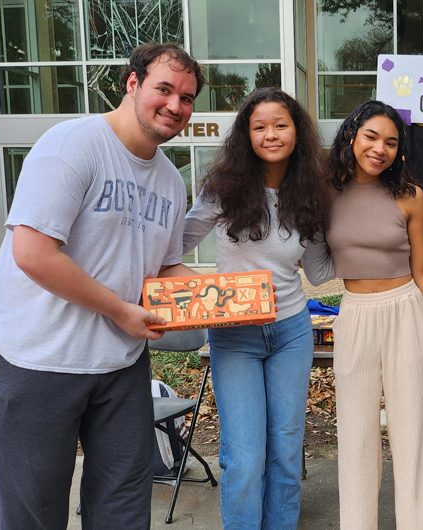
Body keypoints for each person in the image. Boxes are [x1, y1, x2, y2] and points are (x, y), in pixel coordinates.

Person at [0, 42, 205, 529]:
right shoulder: (73, 145)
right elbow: (33, 253)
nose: (176, 106)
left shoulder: (170, 181)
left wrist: (234, 299)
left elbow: (164, 270)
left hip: (120, 365)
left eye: (187, 98)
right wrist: (120, 310)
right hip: (38, 361)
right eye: (164, 89)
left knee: (124, 508)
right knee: (33, 513)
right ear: (132, 84)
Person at [183, 87, 334, 530]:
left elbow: (321, 270)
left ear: (297, 132)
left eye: (281, 125)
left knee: (286, 453)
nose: (271, 134)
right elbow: (179, 242)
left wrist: (372, 242)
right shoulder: (224, 187)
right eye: (260, 127)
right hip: (235, 334)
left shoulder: (309, 191)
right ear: (246, 135)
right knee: (245, 458)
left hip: (290, 330)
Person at [326, 100, 423, 530]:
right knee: (357, 435)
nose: (379, 149)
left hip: (405, 310)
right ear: (351, 135)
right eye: (371, 137)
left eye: (391, 143)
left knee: (411, 433)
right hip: (355, 315)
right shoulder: (323, 192)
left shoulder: (410, 196)